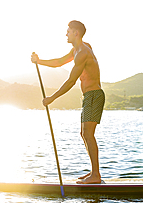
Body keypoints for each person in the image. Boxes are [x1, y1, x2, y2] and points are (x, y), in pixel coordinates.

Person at [31, 20, 105, 184]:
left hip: (94, 95)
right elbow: (58, 62)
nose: (66, 34)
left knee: (88, 134)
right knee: (84, 134)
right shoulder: (78, 49)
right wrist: (39, 61)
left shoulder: (83, 53)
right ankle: (94, 172)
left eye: (68, 31)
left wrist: (51, 98)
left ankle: (96, 176)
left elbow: (71, 81)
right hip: (89, 96)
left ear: (76, 33)